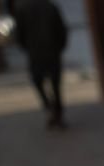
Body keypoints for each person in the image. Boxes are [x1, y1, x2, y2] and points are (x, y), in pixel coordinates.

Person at [14, 0, 67, 129]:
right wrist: (59, 47)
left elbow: (19, 35)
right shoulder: (50, 7)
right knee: (55, 85)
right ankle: (57, 112)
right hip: (52, 51)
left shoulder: (23, 9)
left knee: (38, 82)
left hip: (35, 53)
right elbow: (62, 30)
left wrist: (27, 48)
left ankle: (49, 107)